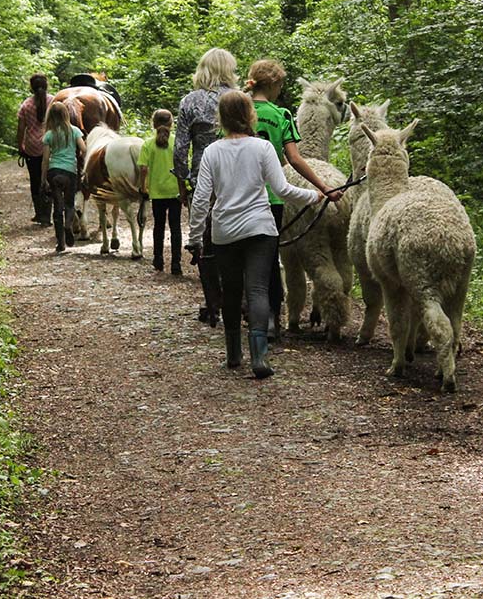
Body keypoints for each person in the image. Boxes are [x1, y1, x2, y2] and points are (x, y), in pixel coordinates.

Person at [187, 90, 342, 378]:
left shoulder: (212, 152)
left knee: (232, 291)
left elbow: (201, 199)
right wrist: (316, 195)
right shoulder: (263, 148)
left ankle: (234, 354)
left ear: (221, 118)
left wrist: (195, 237)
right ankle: (259, 357)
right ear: (250, 115)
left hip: (225, 231)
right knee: (258, 289)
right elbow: (282, 189)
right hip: (260, 228)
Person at [246, 59, 340, 339]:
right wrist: (323, 187)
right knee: (271, 258)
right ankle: (273, 317)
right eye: (281, 85)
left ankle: (249, 313)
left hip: (241, 195)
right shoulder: (282, 115)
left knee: (247, 260)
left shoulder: (239, 111)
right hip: (273, 197)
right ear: (274, 84)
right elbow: (295, 159)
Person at [174, 48, 239, 326]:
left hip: (203, 177)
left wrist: (183, 181)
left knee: (204, 239)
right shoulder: (239, 99)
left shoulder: (190, 101)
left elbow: (180, 149)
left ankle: (213, 301)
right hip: (235, 175)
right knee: (235, 237)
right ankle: (238, 296)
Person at [137, 109, 182, 275]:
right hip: (175, 191)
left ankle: (158, 260)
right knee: (175, 227)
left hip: (157, 193)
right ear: (171, 123)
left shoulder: (148, 144)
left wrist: (143, 187)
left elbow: (143, 168)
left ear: (154, 124)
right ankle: (176, 264)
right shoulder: (177, 142)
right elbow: (183, 165)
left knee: (159, 227)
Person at [40, 101, 87, 253]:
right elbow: (84, 149)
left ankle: (60, 243)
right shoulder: (75, 131)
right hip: (70, 172)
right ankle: (68, 225)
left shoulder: (49, 135)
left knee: (57, 207)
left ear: (51, 117)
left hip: (54, 172)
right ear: (66, 114)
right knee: (69, 204)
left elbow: (45, 160)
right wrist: (82, 164)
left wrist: (43, 179)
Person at [16, 73, 54, 226]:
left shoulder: (26, 105)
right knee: (49, 179)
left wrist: (20, 146)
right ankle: (48, 214)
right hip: (50, 145)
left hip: (32, 147)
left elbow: (21, 128)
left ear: (31, 87)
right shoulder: (54, 102)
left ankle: (39, 214)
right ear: (46, 85)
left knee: (35, 179)